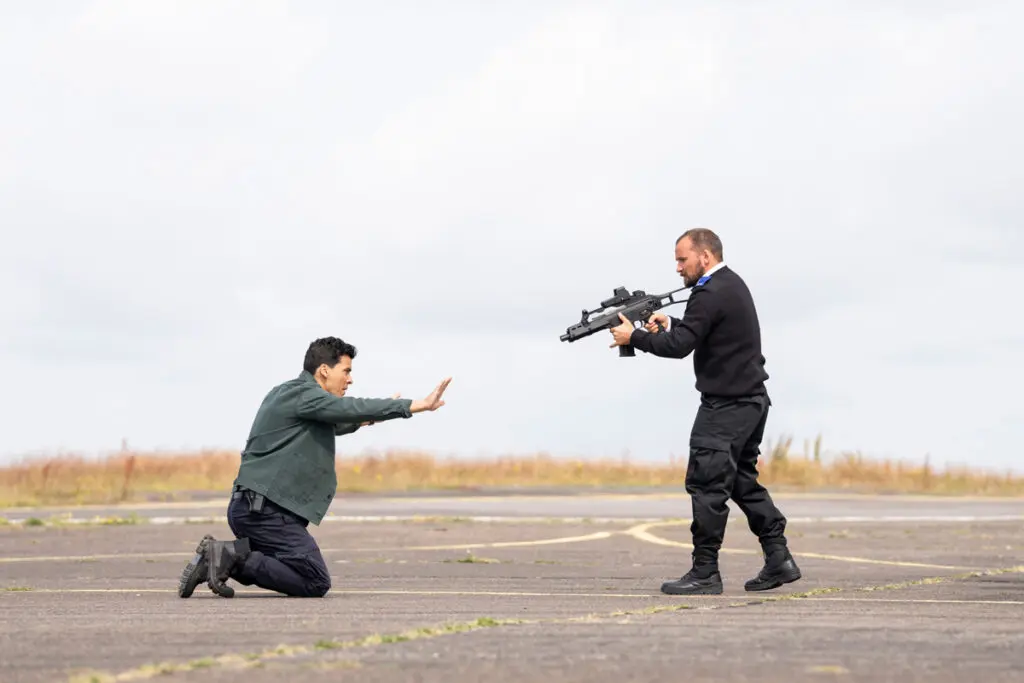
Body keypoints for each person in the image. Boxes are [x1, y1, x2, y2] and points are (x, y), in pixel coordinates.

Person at [177, 336, 452, 599]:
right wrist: (415, 405)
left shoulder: (290, 394)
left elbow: (342, 418)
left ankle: (220, 559)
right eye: (346, 371)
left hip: (252, 509)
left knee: (299, 572)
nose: (350, 379)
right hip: (265, 513)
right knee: (314, 579)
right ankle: (226, 557)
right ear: (323, 370)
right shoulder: (304, 395)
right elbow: (350, 408)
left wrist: (374, 416)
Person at [608, 228, 800, 595]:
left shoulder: (709, 292)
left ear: (705, 256)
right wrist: (671, 324)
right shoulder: (728, 285)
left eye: (683, 259)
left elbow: (680, 347)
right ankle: (779, 558)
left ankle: (705, 572)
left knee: (707, 483)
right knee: (741, 481)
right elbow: (698, 334)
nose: (678, 268)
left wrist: (634, 338)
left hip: (726, 406)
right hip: (750, 401)